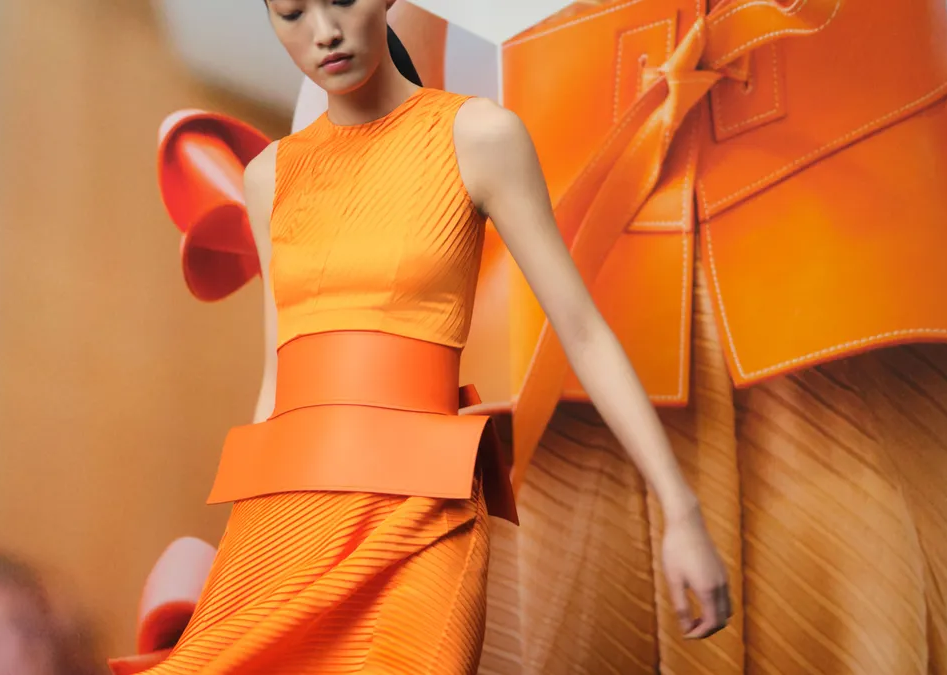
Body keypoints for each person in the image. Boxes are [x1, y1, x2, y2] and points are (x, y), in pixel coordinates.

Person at [129, 1, 729, 672]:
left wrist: (682, 511)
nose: (323, 31)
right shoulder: (268, 176)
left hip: (423, 515)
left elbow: (582, 331)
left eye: (342, 1)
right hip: (287, 515)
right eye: (292, 12)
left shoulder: (478, 136)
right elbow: (278, 374)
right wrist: (239, 556)